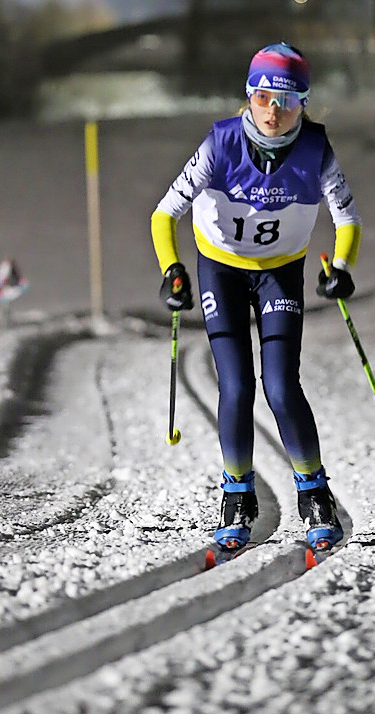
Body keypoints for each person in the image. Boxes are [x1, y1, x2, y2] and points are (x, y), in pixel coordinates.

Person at [151, 42, 362, 551]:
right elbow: (164, 214)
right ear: (249, 96)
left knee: (283, 388)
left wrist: (342, 268)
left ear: (303, 104)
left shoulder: (316, 150)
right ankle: (236, 494)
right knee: (237, 386)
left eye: (288, 101)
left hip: (280, 272)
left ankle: (314, 493)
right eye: (265, 97)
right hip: (220, 269)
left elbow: (347, 218)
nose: (274, 111)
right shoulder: (219, 145)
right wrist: (172, 270)